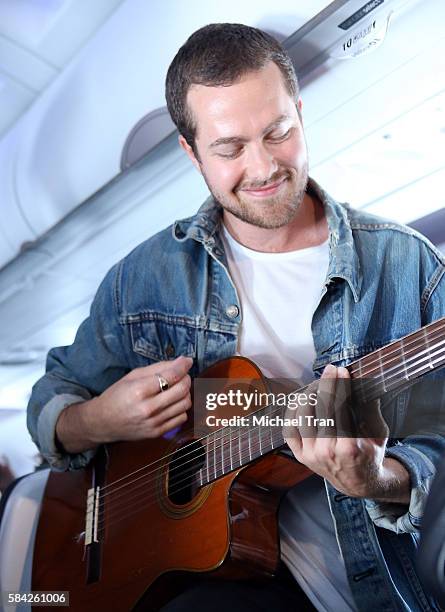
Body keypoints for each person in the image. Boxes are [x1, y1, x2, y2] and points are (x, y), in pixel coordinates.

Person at [27, 23, 445, 611]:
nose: (265, 166)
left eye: (279, 132)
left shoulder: (407, 266)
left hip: (385, 582)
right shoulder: (142, 279)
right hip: (224, 580)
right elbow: (53, 396)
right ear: (191, 151)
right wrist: (97, 420)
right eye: (229, 148)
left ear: (300, 112)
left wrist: (381, 482)